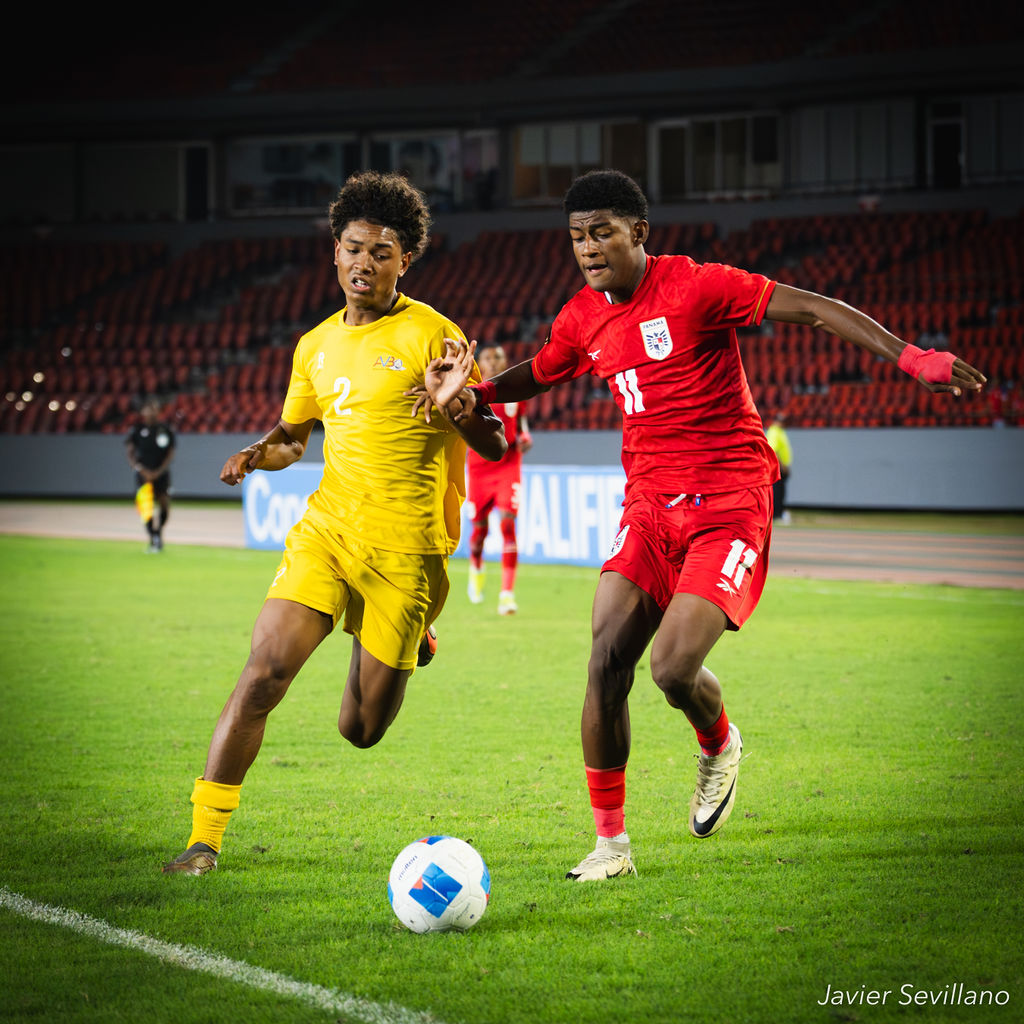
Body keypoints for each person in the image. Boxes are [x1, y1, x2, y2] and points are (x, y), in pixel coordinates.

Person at [419, 169, 986, 882]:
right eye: (576, 238)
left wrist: (912, 357)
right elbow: (546, 369)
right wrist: (474, 393)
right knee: (604, 660)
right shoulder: (581, 316)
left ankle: (718, 743)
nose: (589, 248)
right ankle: (612, 848)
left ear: (638, 233)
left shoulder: (697, 285)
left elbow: (812, 308)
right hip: (649, 508)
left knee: (671, 667)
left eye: (602, 232)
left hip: (729, 502)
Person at [163, 171, 507, 876]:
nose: (364, 262)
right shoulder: (314, 345)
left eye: (382, 252)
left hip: (409, 551)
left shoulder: (434, 333)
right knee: (263, 673)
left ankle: (417, 635)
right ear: (334, 251)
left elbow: (495, 443)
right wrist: (264, 452)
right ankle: (203, 841)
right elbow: (298, 434)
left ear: (404, 260)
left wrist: (458, 406)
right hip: (328, 532)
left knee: (360, 730)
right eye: (353, 247)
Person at [466, 342, 533, 614]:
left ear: (505, 362)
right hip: (479, 468)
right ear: (479, 364)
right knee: (479, 532)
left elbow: (523, 427)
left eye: (498, 358)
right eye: (488, 358)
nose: (493, 362)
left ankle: (507, 594)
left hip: (508, 465)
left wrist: (526, 437)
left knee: (507, 525)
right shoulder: (470, 394)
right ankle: (477, 566)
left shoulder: (515, 395)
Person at [125, 398, 175, 552]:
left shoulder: (165, 430)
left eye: (154, 408)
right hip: (143, 474)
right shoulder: (137, 430)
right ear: (142, 412)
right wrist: (140, 469)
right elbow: (130, 452)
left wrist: (159, 471)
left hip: (161, 473)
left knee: (164, 504)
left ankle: (158, 532)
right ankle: (154, 537)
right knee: (146, 507)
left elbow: (171, 453)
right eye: (148, 408)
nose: (151, 412)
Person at [765, 410, 793, 524]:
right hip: (778, 468)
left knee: (780, 492)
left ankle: (778, 514)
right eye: (781, 420)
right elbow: (774, 451)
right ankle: (776, 515)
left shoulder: (780, 431)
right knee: (777, 492)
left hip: (781, 467)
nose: (783, 423)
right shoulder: (774, 431)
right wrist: (782, 466)